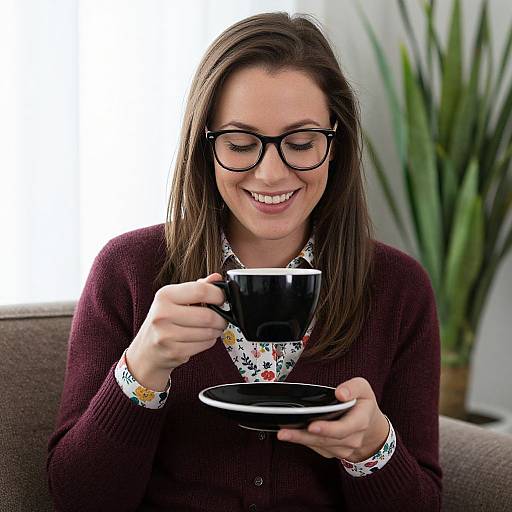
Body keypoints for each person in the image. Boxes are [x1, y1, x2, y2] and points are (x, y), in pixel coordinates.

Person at [47, 12, 442, 512]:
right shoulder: (128, 270)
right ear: (205, 146)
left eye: (301, 144)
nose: (271, 173)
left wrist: (372, 448)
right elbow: (77, 498)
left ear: (335, 144)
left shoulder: (398, 288)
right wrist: (143, 366)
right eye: (240, 144)